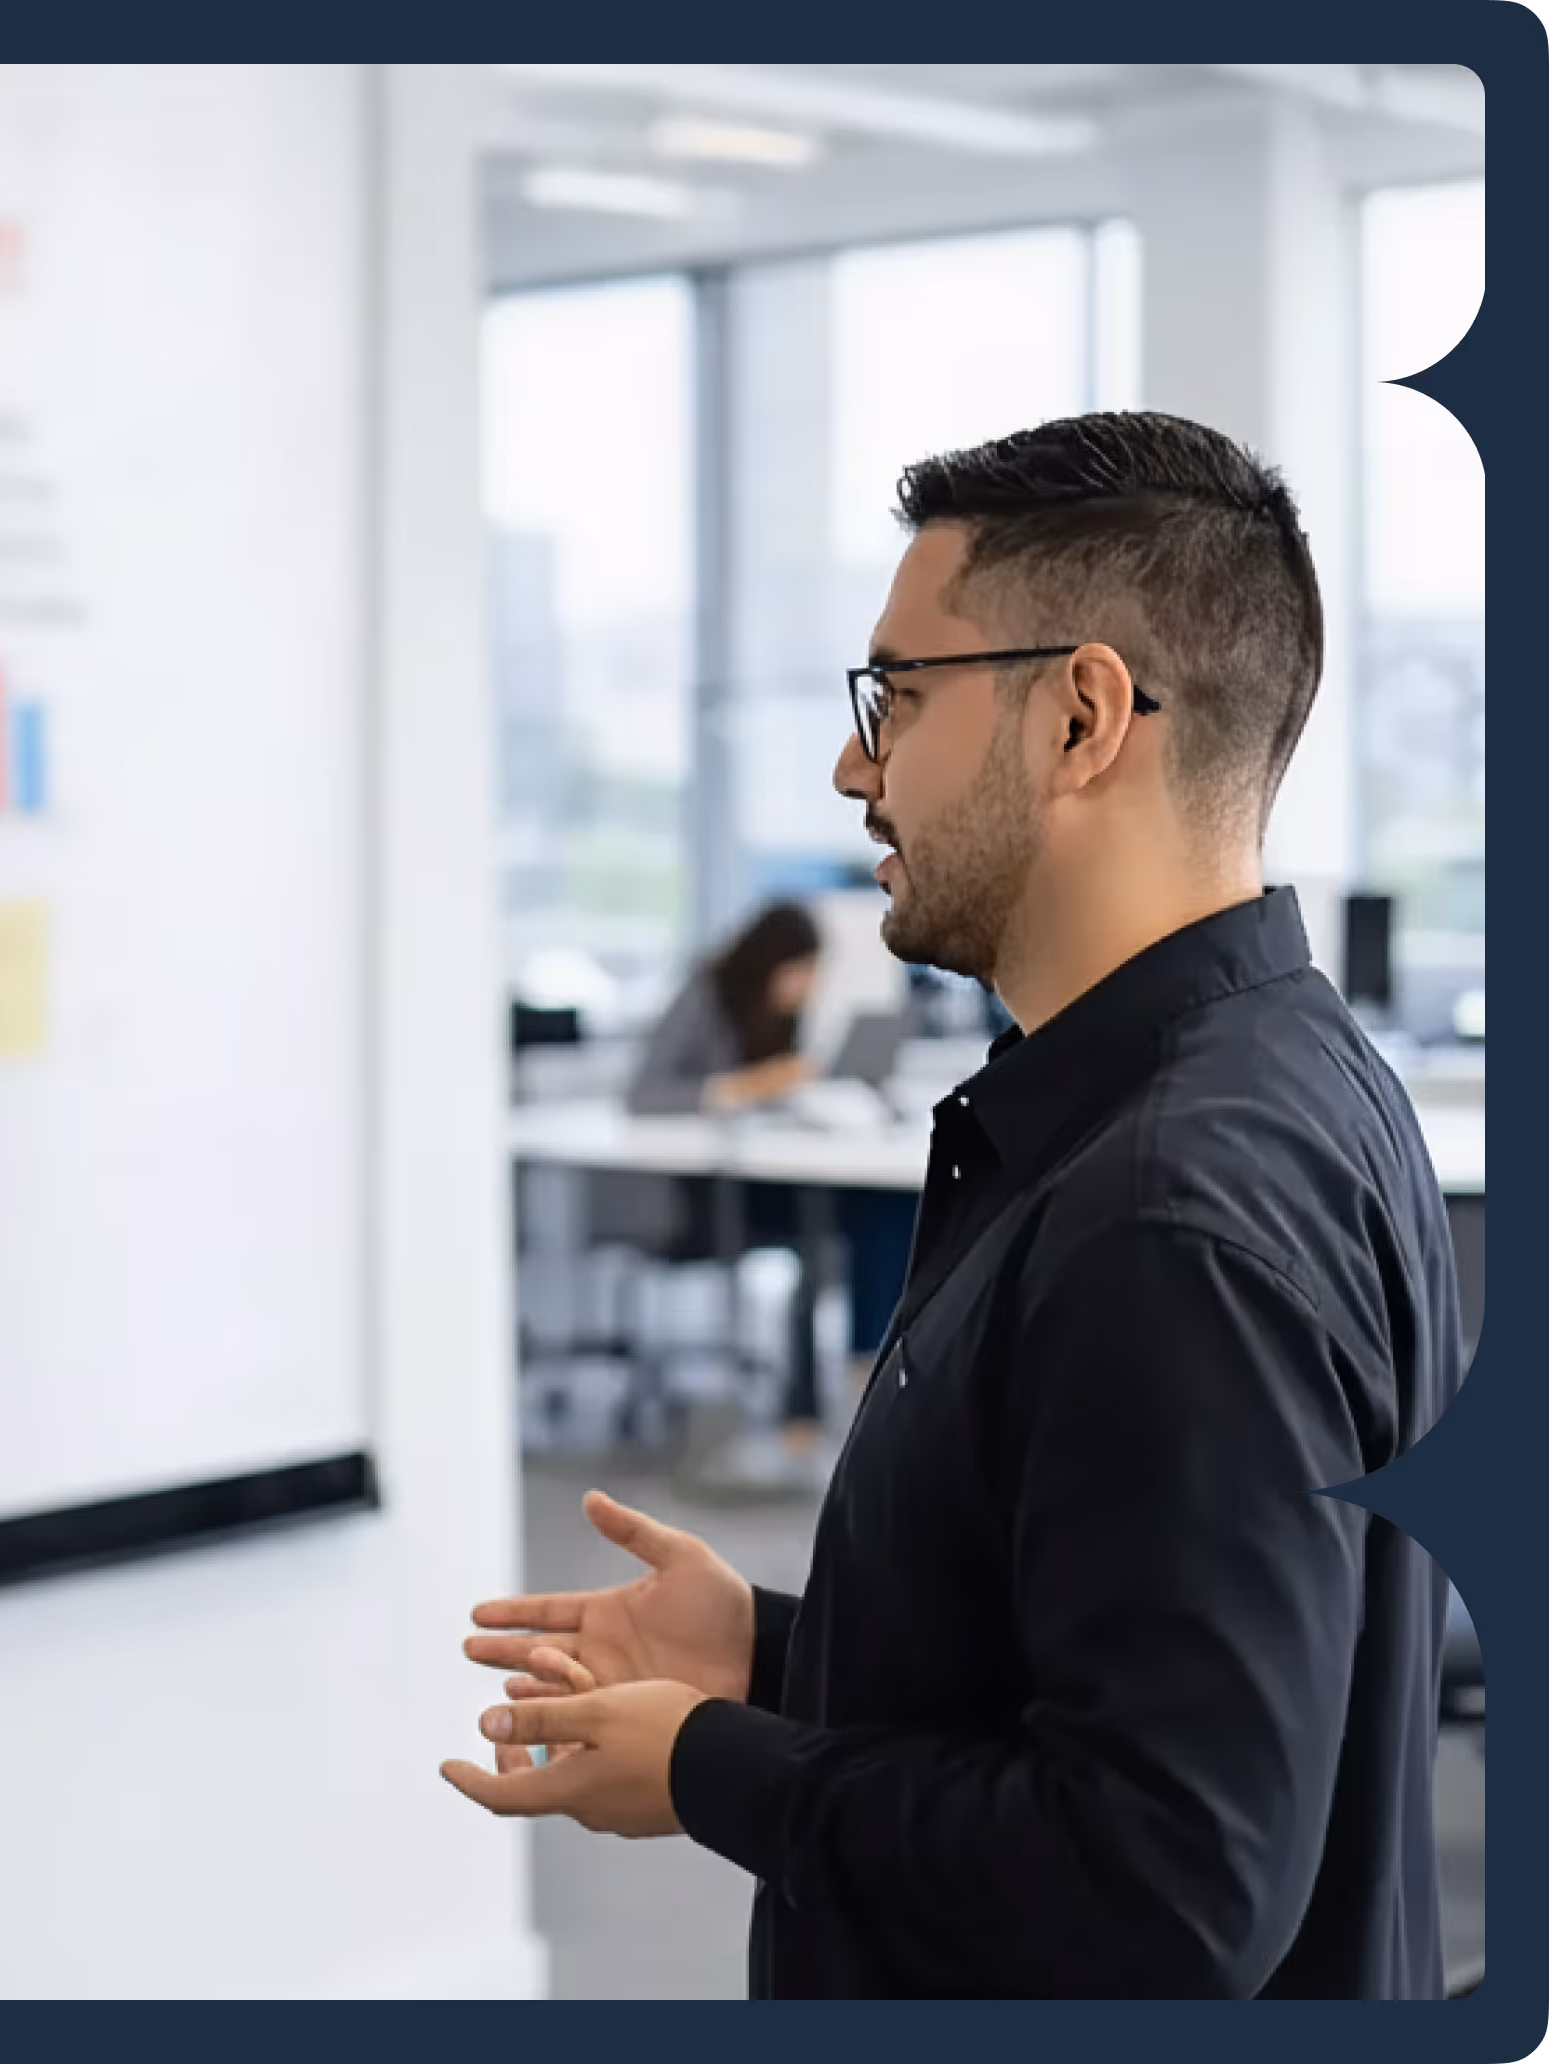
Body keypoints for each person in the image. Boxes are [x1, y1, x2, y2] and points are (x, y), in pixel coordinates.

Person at [442, 411, 1464, 1999]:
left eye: (897, 699)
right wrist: (784, 1658)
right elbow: (1126, 1683)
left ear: (1081, 718)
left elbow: (1165, 1891)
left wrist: (721, 1768)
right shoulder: (1285, 1076)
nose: (855, 765)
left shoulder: (1164, 1214)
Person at [623, 901, 916, 1491]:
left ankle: (872, 1368)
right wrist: (749, 1086)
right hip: (715, 1190)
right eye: (798, 973)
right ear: (767, 962)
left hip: (781, 1170)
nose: (804, 988)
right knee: (815, 1228)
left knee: (890, 1206)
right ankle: (802, 1416)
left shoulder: (785, 1014)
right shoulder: (707, 996)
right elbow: (644, 1093)